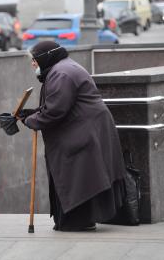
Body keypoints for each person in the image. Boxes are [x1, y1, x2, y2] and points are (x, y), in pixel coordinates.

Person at [19, 41, 127, 231]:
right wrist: (30, 114)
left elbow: (55, 110)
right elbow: (56, 105)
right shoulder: (62, 69)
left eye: (34, 60)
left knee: (77, 176)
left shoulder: (61, 73)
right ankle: (77, 220)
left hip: (83, 131)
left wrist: (30, 120)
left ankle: (78, 221)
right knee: (80, 175)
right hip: (84, 128)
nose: (33, 65)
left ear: (45, 58)